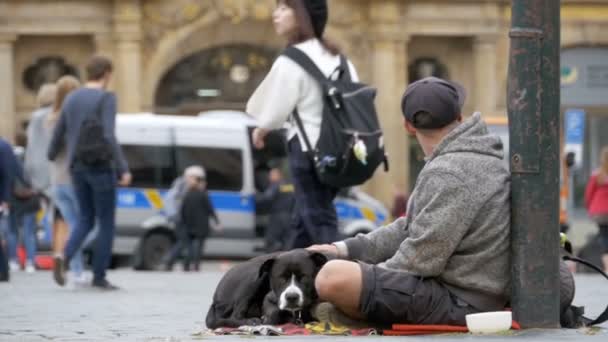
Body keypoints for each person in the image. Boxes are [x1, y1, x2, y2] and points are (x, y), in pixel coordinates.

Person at [309, 77, 511, 327]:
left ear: (407, 126)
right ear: (459, 117)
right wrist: (344, 249)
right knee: (337, 267)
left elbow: (420, 259)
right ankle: (350, 313)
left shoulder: (449, 172)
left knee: (332, 277)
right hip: (461, 292)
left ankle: (356, 315)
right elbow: (409, 228)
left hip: (462, 301)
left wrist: (368, 279)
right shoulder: (463, 159)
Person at [247, 0, 358, 248]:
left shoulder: (293, 59)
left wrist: (261, 128)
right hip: (340, 153)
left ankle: (344, 274)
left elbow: (274, 110)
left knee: (320, 221)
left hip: (308, 151)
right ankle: (291, 276)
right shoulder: (340, 60)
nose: (276, 14)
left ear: (302, 16)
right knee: (304, 220)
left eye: (284, 8)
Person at [48, 55, 131, 290]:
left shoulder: (72, 98)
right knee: (105, 222)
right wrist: (123, 167)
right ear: (106, 73)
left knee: (85, 218)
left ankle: (63, 256)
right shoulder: (106, 98)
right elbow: (108, 134)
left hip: (77, 167)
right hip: (101, 166)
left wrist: (52, 154)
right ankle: (99, 275)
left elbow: (59, 133)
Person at [46, 75, 89, 286]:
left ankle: (75, 269)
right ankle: (71, 263)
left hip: (56, 181)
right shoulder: (72, 120)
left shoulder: (50, 118)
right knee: (87, 225)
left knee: (74, 226)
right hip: (74, 179)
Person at [165, 166, 220, 272]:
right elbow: (178, 204)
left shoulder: (187, 188)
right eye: (196, 178)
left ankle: (180, 264)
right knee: (185, 244)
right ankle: (173, 263)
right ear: (190, 176)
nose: (197, 181)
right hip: (182, 220)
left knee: (185, 244)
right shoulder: (182, 186)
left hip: (185, 220)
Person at [255, 167, 295, 252]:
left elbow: (267, 198)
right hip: (289, 216)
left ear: (278, 175)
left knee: (271, 240)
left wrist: (256, 197)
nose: (270, 177)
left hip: (277, 217)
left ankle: (270, 259)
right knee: (287, 240)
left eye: (271, 175)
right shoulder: (290, 186)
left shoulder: (276, 185)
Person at [584, 146, 608, 273]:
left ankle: (607, 266)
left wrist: (589, 208)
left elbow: (589, 194)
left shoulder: (597, 175)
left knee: (604, 236)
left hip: (600, 212)